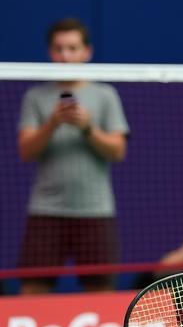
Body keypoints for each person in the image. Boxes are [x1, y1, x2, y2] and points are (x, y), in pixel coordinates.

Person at [16, 19, 129, 294]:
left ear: (86, 52)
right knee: (32, 289)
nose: (65, 55)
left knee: (102, 290)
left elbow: (118, 150)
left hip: (95, 210)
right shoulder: (36, 96)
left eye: (72, 48)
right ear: (50, 52)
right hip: (46, 210)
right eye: (59, 49)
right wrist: (53, 122)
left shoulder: (105, 95)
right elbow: (25, 150)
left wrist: (87, 127)